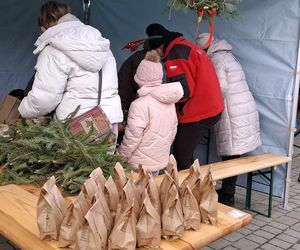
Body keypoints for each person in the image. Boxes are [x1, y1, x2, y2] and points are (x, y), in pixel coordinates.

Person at [18, 1, 123, 138]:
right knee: (106, 159)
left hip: (76, 126)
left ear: (45, 25)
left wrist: (22, 109)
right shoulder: (101, 44)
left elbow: (44, 99)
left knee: (70, 159)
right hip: (108, 120)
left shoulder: (54, 49)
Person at [145, 23, 224, 170]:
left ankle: (186, 191)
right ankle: (193, 186)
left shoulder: (176, 54)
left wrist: (158, 98)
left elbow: (182, 91)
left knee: (181, 155)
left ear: (159, 47)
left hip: (199, 110)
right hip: (210, 105)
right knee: (185, 153)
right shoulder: (185, 46)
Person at [197, 33, 262, 206]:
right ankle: (227, 191)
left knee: (231, 154)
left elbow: (221, 88)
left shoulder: (217, 59)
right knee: (233, 153)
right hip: (243, 108)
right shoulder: (228, 55)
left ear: (206, 48)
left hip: (233, 111)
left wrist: (206, 102)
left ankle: (228, 196)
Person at [117, 50, 183, 174]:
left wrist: (120, 156)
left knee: (137, 193)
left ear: (139, 78)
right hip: (159, 161)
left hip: (138, 165)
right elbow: (173, 130)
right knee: (151, 191)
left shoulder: (139, 104)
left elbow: (132, 137)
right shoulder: (169, 102)